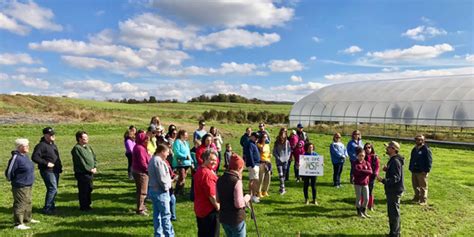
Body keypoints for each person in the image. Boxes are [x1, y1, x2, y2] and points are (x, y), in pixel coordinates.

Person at [5, 138, 40, 230]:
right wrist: (13, 180)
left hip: (28, 184)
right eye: (26, 146)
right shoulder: (16, 158)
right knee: (20, 203)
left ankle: (27, 219)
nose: (28, 147)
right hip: (20, 185)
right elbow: (9, 172)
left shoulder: (25, 156)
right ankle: (18, 224)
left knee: (28, 202)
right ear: (19, 147)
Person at [217, 153, 251, 237]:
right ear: (239, 168)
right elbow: (239, 204)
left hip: (224, 217)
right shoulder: (236, 181)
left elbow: (217, 199)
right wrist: (247, 198)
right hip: (235, 219)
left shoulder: (220, 179)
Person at [32, 127, 63, 215]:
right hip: (47, 171)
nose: (53, 136)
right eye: (51, 134)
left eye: (53, 134)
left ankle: (52, 207)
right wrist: (46, 163)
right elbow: (35, 157)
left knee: (54, 189)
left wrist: (59, 167)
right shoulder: (41, 145)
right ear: (45, 135)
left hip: (55, 170)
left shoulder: (53, 145)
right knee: (52, 188)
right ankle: (47, 208)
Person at [377, 141, 404, 237]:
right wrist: (387, 169)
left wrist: (383, 180)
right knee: (392, 212)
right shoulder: (393, 159)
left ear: (394, 149)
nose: (386, 149)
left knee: (393, 213)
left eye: (388, 147)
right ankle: (394, 232)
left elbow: (396, 178)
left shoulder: (395, 161)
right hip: (392, 190)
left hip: (394, 190)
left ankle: (395, 234)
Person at [148, 144, 175, 237]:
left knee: (157, 214)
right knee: (166, 215)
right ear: (162, 151)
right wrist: (167, 186)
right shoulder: (158, 161)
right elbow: (162, 178)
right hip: (160, 192)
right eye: (167, 152)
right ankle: (169, 234)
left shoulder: (153, 159)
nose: (168, 155)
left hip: (153, 190)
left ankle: (158, 234)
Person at [194, 150, 220, 237]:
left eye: (215, 160)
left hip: (200, 208)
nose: (214, 162)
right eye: (212, 160)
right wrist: (218, 207)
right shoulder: (207, 174)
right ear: (205, 159)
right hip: (208, 210)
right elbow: (211, 195)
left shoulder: (200, 170)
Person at [71, 131, 97, 211]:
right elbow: (81, 161)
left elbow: (94, 157)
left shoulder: (88, 147)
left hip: (90, 172)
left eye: (87, 137)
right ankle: (83, 206)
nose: (87, 139)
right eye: (84, 138)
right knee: (83, 190)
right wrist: (89, 169)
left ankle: (88, 205)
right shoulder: (77, 149)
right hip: (82, 173)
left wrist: (95, 166)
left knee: (89, 188)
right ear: (79, 139)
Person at [409, 134, 432, 205]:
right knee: (415, 186)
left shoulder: (426, 149)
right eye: (417, 139)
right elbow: (412, 159)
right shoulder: (414, 149)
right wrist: (410, 168)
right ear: (415, 140)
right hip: (414, 170)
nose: (419, 141)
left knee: (423, 187)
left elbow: (429, 161)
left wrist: (426, 171)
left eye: (421, 139)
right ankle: (416, 198)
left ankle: (423, 200)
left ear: (423, 140)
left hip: (422, 171)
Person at [132, 131, 151, 216]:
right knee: (142, 191)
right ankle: (140, 209)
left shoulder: (141, 147)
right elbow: (142, 163)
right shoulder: (140, 148)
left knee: (141, 190)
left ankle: (142, 206)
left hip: (141, 171)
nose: (147, 141)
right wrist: (148, 170)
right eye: (146, 140)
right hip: (141, 172)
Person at [352, 147, 372, 218]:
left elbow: (370, 171)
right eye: (360, 155)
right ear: (357, 155)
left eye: (363, 155)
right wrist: (364, 172)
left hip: (365, 183)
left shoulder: (367, 163)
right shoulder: (355, 163)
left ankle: (364, 210)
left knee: (366, 198)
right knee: (358, 198)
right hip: (358, 183)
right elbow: (356, 172)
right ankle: (359, 212)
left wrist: (362, 171)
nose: (361, 157)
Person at [172, 129, 192, 196]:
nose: (186, 137)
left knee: (184, 177)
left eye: (187, 135)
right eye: (185, 135)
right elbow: (176, 152)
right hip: (180, 163)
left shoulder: (186, 143)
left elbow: (188, 152)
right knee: (181, 177)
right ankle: (176, 191)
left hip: (187, 163)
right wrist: (185, 157)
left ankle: (181, 191)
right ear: (181, 135)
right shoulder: (177, 142)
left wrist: (191, 161)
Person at [272, 128, 291, 195]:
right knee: (281, 175)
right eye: (282, 133)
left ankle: (281, 187)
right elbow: (274, 152)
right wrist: (278, 158)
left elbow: (289, 151)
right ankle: (283, 189)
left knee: (284, 176)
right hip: (279, 161)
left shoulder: (287, 142)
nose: (283, 135)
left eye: (285, 133)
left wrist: (288, 158)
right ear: (280, 134)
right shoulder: (277, 142)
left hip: (285, 161)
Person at [243, 132, 261, 203]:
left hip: (255, 164)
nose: (256, 138)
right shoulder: (250, 144)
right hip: (253, 165)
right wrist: (253, 165)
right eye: (255, 137)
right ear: (252, 137)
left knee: (252, 180)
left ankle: (252, 195)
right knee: (254, 181)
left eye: (257, 137)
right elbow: (250, 155)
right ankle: (253, 196)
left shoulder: (253, 144)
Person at [364, 143, 380, 210]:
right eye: (366, 148)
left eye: (369, 147)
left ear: (371, 148)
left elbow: (377, 166)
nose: (368, 149)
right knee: (363, 191)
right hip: (364, 176)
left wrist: (376, 173)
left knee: (370, 191)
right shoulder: (363, 156)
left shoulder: (374, 157)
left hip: (371, 176)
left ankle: (370, 205)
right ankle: (363, 205)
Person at [257, 133, 272, 198]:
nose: (265, 138)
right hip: (262, 162)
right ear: (261, 138)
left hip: (268, 162)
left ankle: (265, 191)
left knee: (268, 178)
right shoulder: (258, 144)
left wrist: (270, 155)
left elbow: (268, 152)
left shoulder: (267, 145)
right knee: (261, 178)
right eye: (264, 137)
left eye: (266, 137)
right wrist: (263, 143)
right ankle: (259, 192)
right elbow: (262, 150)